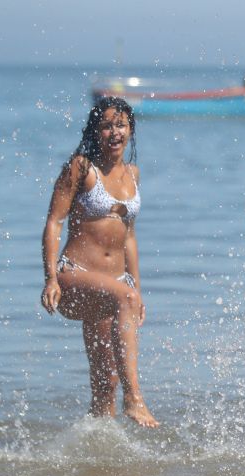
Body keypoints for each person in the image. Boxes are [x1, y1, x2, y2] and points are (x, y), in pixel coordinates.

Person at [40, 96, 159, 428]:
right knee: (124, 299)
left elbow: (129, 237)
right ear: (95, 131)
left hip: (114, 288)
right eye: (106, 125)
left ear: (130, 130)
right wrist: (50, 278)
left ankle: (96, 454)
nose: (114, 132)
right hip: (74, 279)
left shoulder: (132, 173)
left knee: (106, 383)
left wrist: (136, 286)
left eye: (120, 125)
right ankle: (135, 400)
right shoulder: (80, 168)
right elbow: (53, 223)